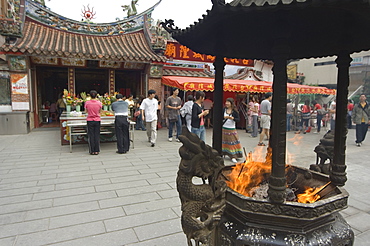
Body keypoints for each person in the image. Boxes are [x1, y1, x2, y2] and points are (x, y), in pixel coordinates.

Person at [222, 98, 243, 163]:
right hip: (224, 128)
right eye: (226, 102)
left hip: (231, 129)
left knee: (232, 143)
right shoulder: (223, 110)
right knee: (224, 143)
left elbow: (238, 119)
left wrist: (232, 118)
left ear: (231, 103)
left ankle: (233, 156)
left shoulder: (234, 111)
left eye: (228, 102)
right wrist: (224, 117)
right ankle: (224, 153)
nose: (226, 103)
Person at [84, 90, 102, 155]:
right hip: (97, 120)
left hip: (89, 120)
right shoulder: (99, 103)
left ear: (89, 95)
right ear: (96, 95)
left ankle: (92, 150)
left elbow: (86, 111)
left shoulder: (87, 103)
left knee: (91, 135)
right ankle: (97, 150)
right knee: (97, 135)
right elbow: (100, 111)